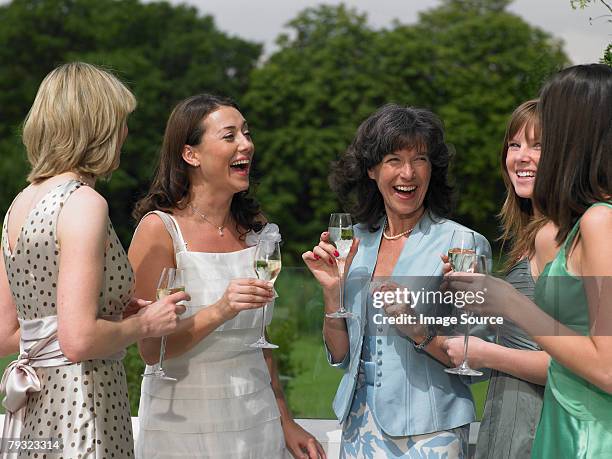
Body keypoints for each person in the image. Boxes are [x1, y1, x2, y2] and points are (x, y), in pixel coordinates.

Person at [0, 62, 187, 458]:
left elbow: (7, 334)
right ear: (97, 128)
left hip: (36, 408)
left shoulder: (19, 204)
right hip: (84, 405)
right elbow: (79, 339)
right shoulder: (84, 203)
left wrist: (110, 318)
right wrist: (144, 323)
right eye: (120, 122)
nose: (125, 134)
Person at [129, 93, 325, 459]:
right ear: (191, 154)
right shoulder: (160, 231)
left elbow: (260, 342)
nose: (246, 145)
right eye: (230, 135)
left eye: (247, 134)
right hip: (183, 423)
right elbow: (150, 349)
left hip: (256, 417)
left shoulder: (257, 231)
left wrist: (285, 420)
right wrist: (221, 309)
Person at [302, 104, 491, 458]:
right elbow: (341, 355)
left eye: (419, 159)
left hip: (431, 430)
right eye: (394, 159)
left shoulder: (462, 244)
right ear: (372, 170)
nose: (408, 173)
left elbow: (478, 359)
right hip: (359, 427)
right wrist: (332, 294)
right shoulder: (354, 242)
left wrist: (417, 329)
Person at [447, 64, 612, 458]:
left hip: (586, 438)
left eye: (549, 131)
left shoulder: (599, 220)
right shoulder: (588, 220)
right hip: (562, 426)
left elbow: (607, 367)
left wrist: (511, 303)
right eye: (516, 144)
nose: (531, 152)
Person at [442, 100, 557, 458]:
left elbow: (569, 366)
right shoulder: (529, 234)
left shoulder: (553, 236)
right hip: (510, 414)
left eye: (538, 145)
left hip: (536, 427)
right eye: (515, 144)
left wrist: (482, 353)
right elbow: (529, 334)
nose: (522, 157)